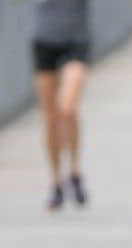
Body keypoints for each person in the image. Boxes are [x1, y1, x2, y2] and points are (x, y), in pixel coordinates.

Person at [32, 0, 90, 210]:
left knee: (68, 108)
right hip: (44, 39)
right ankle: (56, 181)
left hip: (76, 40)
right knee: (50, 118)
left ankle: (74, 169)